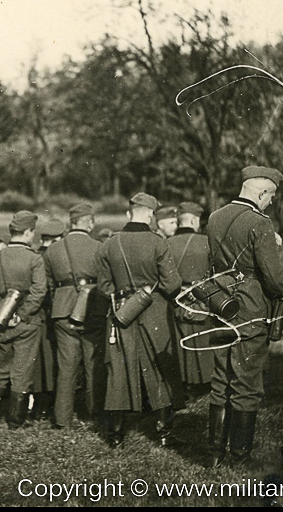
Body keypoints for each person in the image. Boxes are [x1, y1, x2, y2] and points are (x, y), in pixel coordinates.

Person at [205, 166, 283, 467]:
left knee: (221, 377)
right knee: (247, 381)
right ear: (260, 193)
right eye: (271, 196)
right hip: (249, 306)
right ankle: (239, 457)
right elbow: (273, 275)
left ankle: (214, 456)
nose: (271, 202)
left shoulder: (214, 217)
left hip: (219, 303)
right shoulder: (259, 223)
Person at [97, 192, 184, 449]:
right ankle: (164, 433)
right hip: (154, 309)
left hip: (121, 311)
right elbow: (172, 285)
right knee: (159, 366)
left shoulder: (109, 244)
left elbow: (103, 286)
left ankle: (115, 435)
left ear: (128, 214)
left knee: (119, 369)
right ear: (150, 215)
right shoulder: (158, 243)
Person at [0, 210, 47, 429]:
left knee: (0, 370)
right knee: (22, 372)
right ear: (27, 232)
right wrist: (23, 314)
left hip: (3, 324)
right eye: (32, 232)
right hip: (28, 324)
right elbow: (39, 291)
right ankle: (16, 421)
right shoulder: (35, 259)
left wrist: (1, 312)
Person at [43, 202, 108, 430]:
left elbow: (49, 286)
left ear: (71, 223)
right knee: (93, 364)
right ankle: (95, 415)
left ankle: (62, 419)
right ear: (89, 223)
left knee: (66, 366)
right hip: (92, 309)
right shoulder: (99, 247)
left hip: (62, 310)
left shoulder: (52, 250)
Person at [169, 201, 215, 397]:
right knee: (202, 337)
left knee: (180, 339)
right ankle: (204, 382)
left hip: (176, 298)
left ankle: (184, 382)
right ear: (195, 220)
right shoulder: (206, 242)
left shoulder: (165, 244)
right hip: (202, 298)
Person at [31, 218, 64, 421]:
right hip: (51, 311)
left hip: (36, 313)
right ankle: (47, 404)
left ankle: (37, 405)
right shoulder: (54, 257)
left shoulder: (35, 256)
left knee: (38, 362)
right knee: (51, 359)